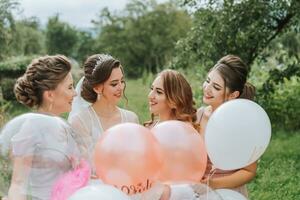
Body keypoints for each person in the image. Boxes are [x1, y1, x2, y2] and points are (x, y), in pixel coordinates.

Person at [2, 55, 87, 200]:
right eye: (69, 87)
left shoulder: (65, 126)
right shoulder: (30, 130)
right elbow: (18, 184)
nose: (75, 93)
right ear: (50, 95)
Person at [198, 55, 257, 197]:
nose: (207, 88)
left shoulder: (240, 124)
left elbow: (249, 171)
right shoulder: (198, 115)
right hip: (197, 190)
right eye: (208, 81)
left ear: (232, 95)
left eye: (216, 87)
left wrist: (212, 184)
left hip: (228, 193)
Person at [68, 54, 139, 169]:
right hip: (96, 185)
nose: (121, 87)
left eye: (122, 81)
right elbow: (88, 166)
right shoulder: (80, 122)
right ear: (97, 88)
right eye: (114, 84)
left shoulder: (131, 119)